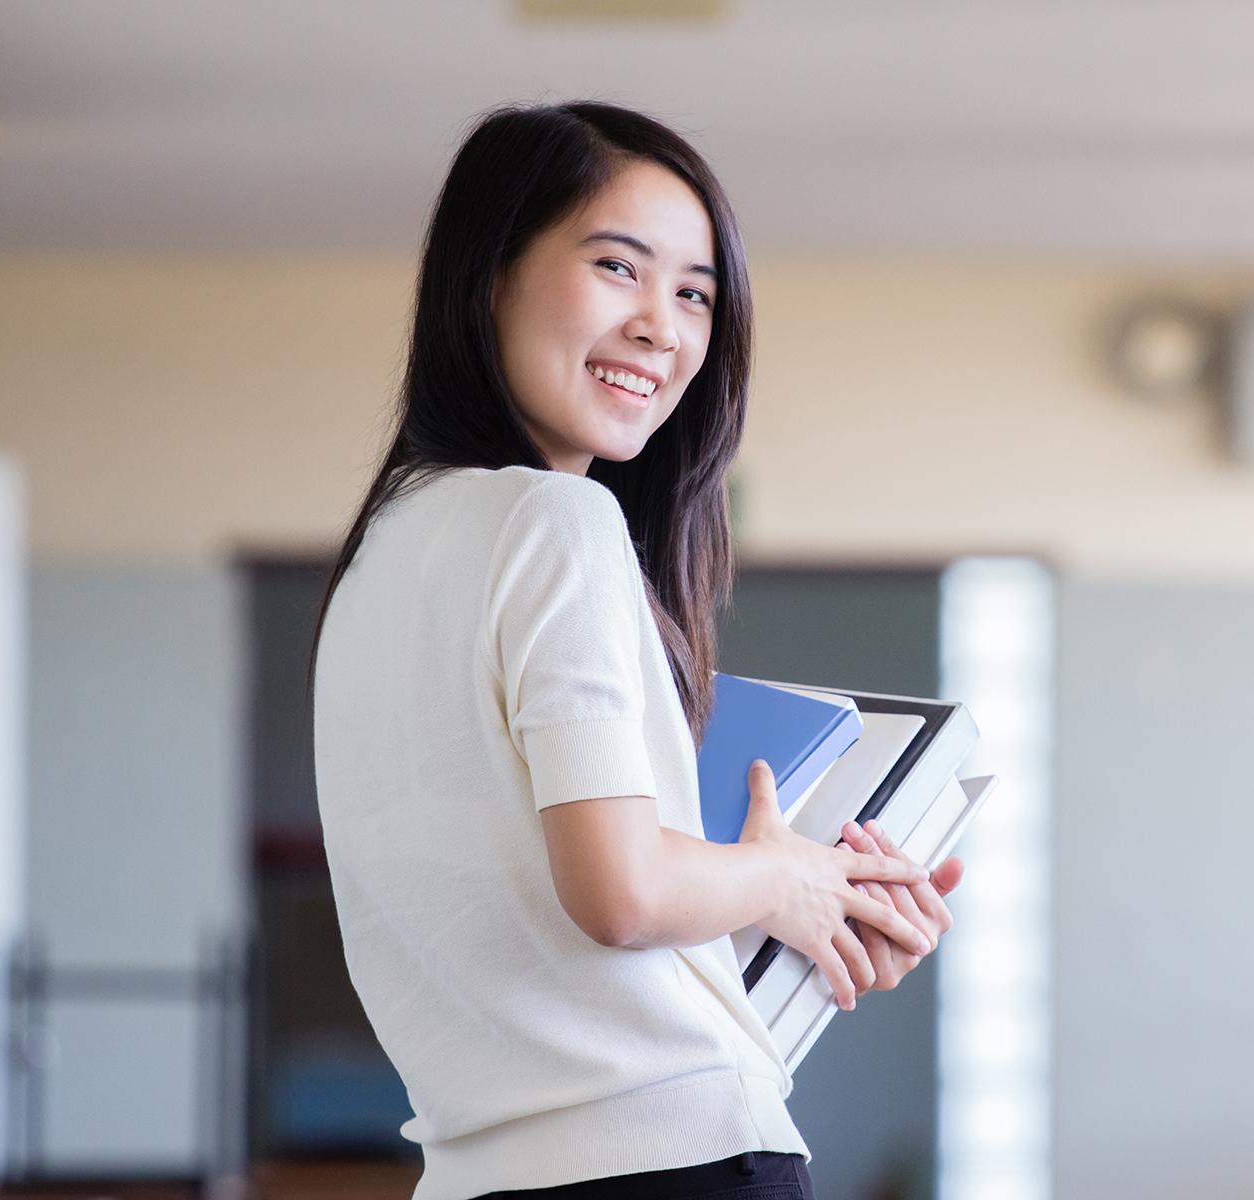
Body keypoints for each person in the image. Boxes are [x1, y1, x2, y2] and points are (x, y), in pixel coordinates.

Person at [308, 101, 965, 1200]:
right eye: (620, 267)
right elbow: (617, 894)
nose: (664, 327)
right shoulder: (557, 522)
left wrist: (778, 901)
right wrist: (783, 871)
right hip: (673, 1166)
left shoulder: (381, 557)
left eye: (695, 294)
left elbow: (546, 932)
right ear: (489, 275)